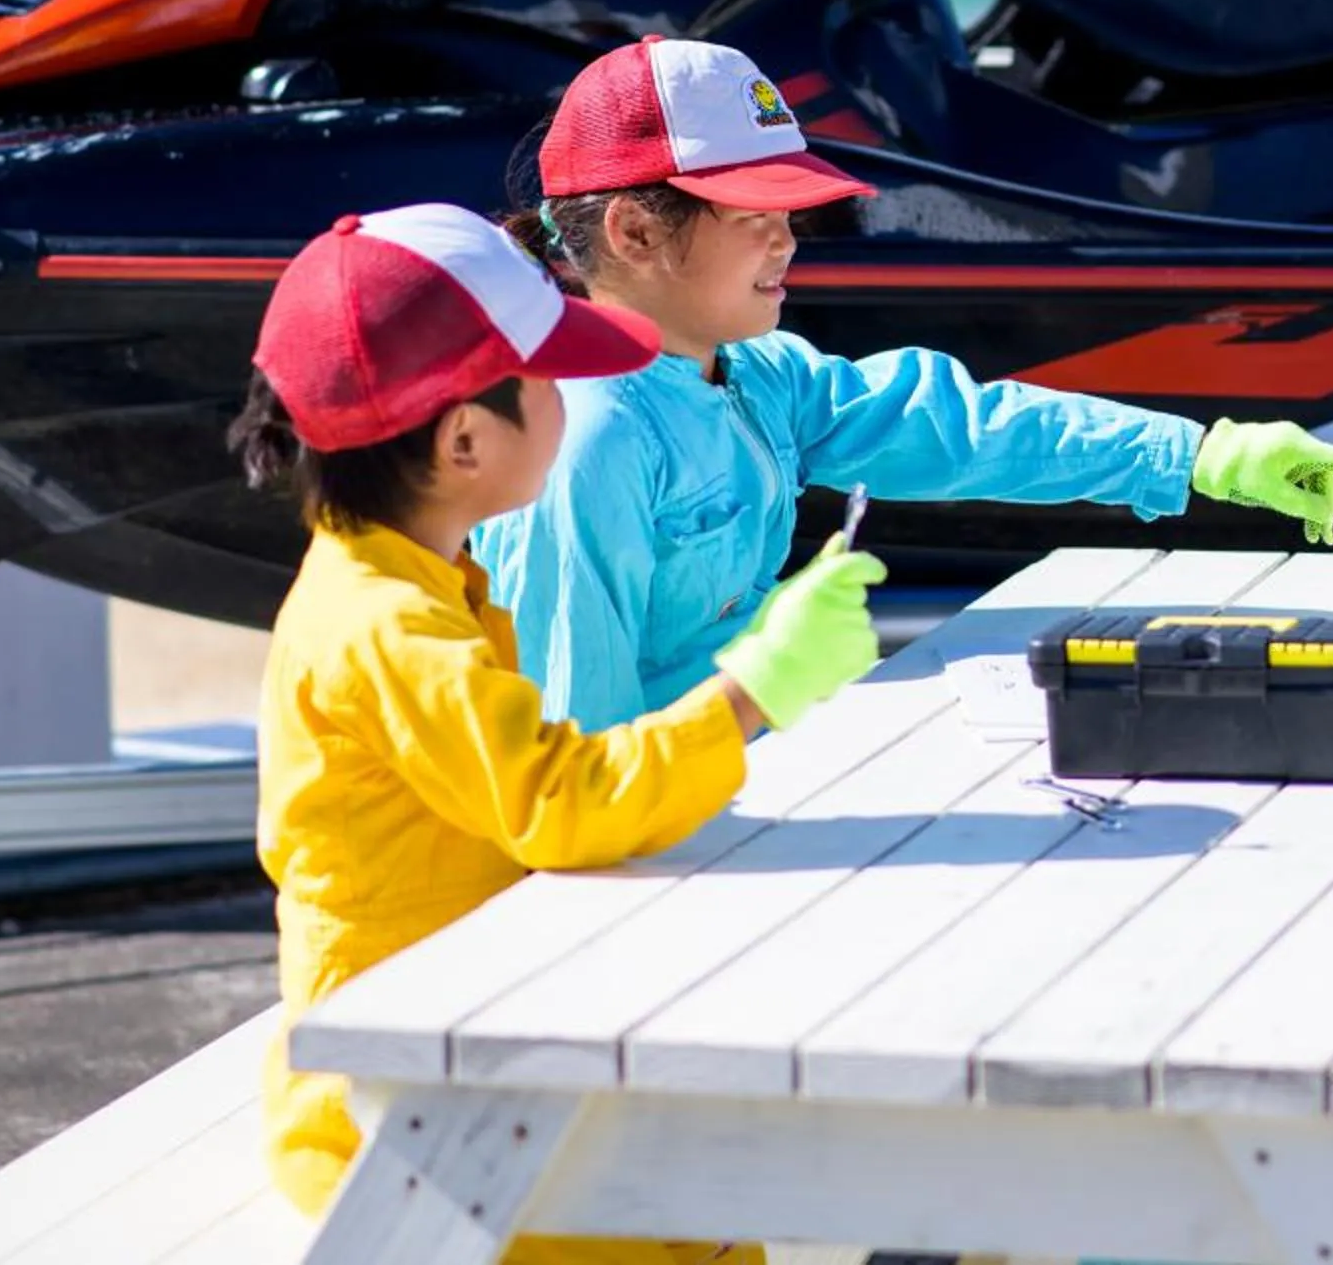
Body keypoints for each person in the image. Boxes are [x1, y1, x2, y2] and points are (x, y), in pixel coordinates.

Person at [235, 202, 887, 1261]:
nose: (579, 399)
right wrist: (754, 689)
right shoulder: (384, 623)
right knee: (745, 1197)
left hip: (467, 1050)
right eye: (552, 384)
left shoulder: (414, 578)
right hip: (403, 1116)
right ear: (462, 439)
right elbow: (560, 803)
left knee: (735, 1200)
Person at [479, 34, 1333, 729]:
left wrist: (1201, 455)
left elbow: (965, 428)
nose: (788, 240)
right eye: (756, 214)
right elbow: (574, 752)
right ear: (636, 233)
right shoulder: (582, 445)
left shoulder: (759, 375)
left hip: (732, 787)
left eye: (792, 211)